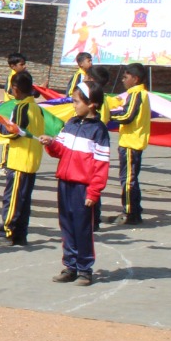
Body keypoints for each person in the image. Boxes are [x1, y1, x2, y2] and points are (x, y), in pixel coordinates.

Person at [40, 82, 111, 285]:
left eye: (76, 101)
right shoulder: (70, 123)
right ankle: (70, 266)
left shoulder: (99, 131)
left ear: (92, 104)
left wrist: (93, 192)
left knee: (82, 228)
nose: (73, 105)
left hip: (83, 187)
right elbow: (60, 150)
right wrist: (51, 143)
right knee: (67, 226)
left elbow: (101, 164)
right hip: (64, 183)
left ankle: (84, 268)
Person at [0, 70, 44, 246]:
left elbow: (14, 132)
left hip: (20, 160)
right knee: (24, 201)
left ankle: (6, 233)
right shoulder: (38, 109)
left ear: (16, 89)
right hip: (32, 161)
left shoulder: (21, 107)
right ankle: (20, 234)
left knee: (12, 199)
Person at [107, 63, 150, 225]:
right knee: (131, 178)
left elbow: (127, 116)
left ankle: (129, 213)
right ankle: (135, 211)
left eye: (126, 77)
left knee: (128, 179)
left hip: (131, 143)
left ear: (135, 78)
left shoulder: (136, 94)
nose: (123, 80)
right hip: (132, 142)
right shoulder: (138, 94)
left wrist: (108, 117)